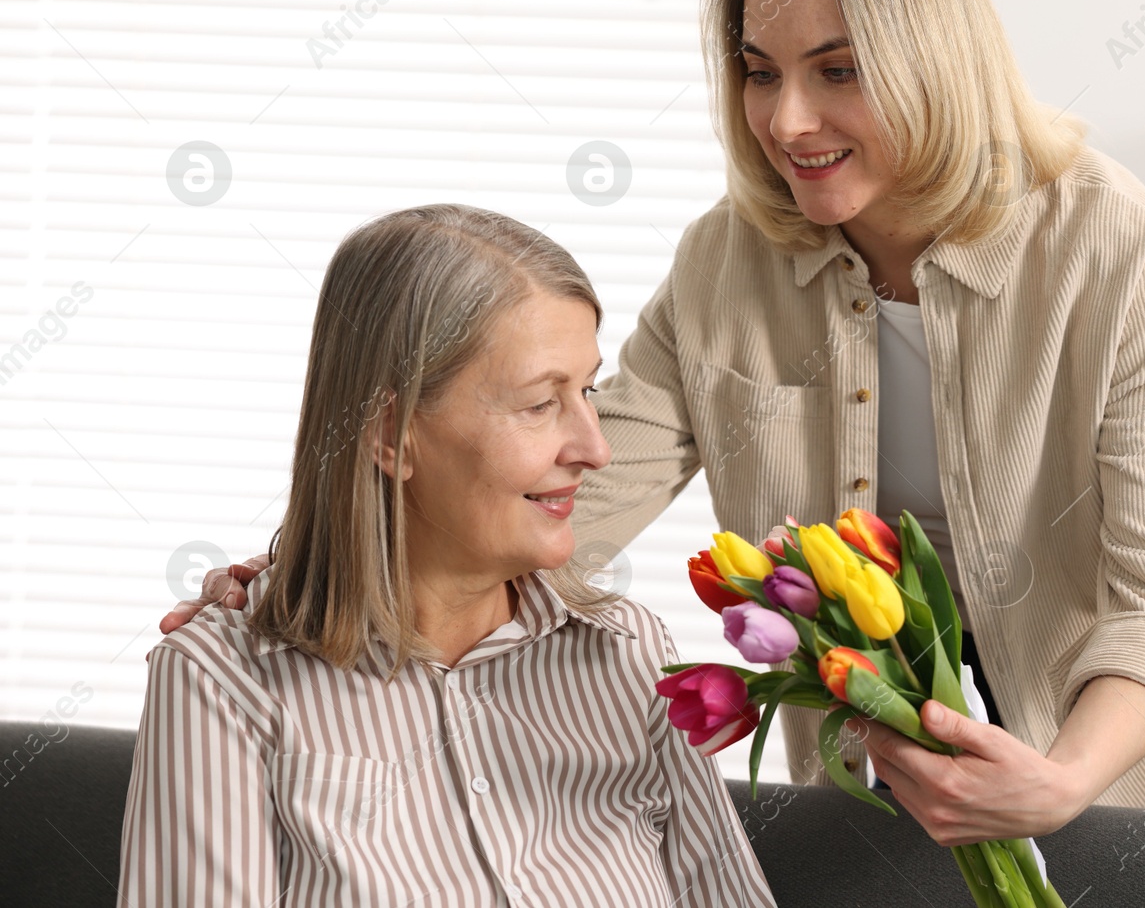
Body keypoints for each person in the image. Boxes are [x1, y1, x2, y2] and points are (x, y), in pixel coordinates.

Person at [162, 0, 1145, 849]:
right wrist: (316, 560)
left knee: (1140, 859)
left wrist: (1068, 773)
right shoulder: (729, 258)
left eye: (837, 69)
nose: (785, 122)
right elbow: (588, 469)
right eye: (758, 70)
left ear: (934, 60)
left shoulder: (1113, 246)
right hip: (909, 645)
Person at [123, 207, 775, 905]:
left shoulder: (627, 652)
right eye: (537, 404)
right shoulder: (223, 681)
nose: (596, 447)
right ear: (389, 434)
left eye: (586, 390)